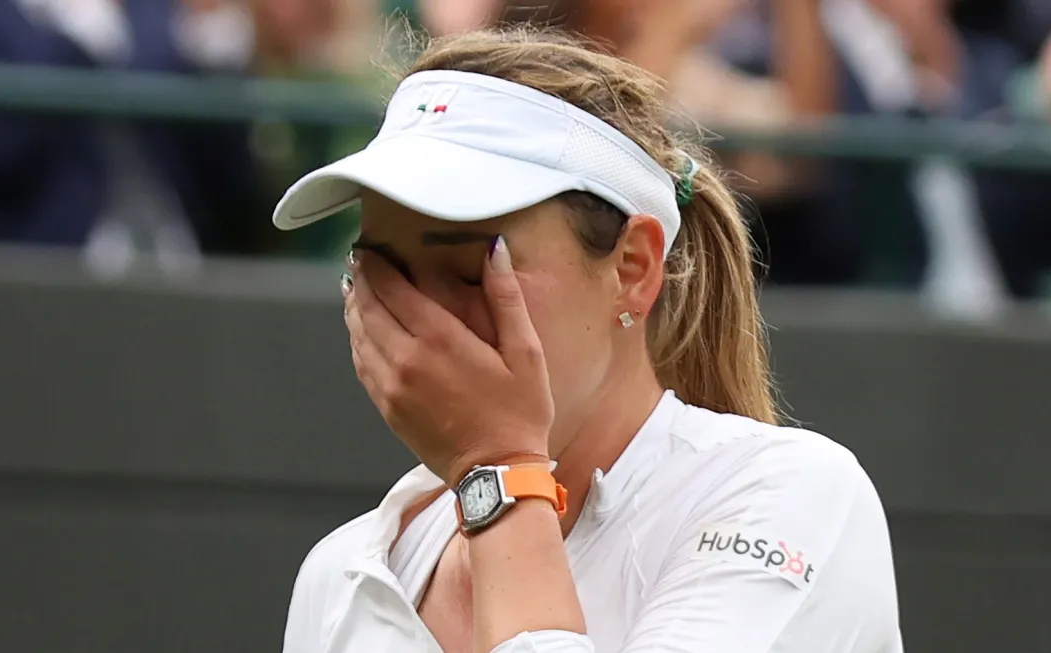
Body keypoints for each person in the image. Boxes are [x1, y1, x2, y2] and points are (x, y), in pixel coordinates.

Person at [272, 26, 902, 653]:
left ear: (633, 269)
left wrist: (498, 472)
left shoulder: (795, 498)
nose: (420, 321)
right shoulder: (339, 577)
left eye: (469, 267)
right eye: (380, 273)